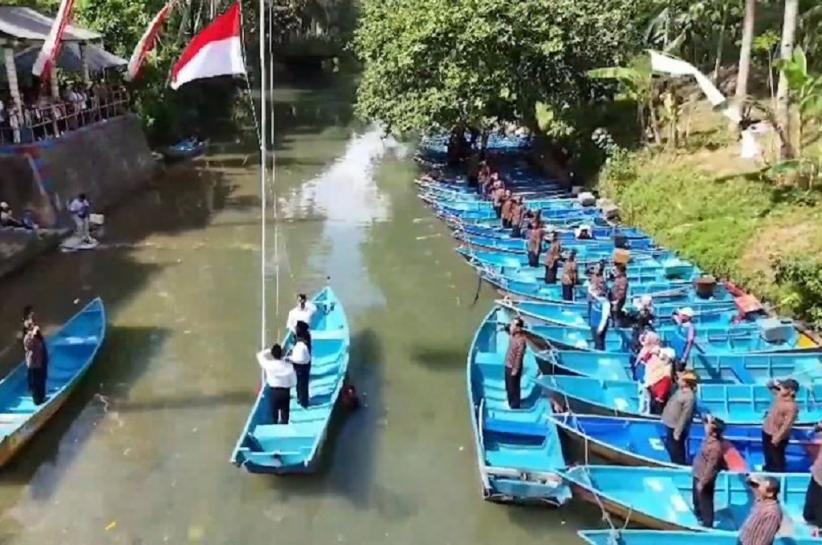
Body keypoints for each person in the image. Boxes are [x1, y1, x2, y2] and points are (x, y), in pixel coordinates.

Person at [692, 416, 725, 528]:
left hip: (704, 478)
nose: (705, 426)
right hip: (697, 473)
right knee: (696, 499)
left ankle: (707, 524)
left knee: (705, 501)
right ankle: (698, 515)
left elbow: (711, 467)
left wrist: (703, 482)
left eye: (708, 424)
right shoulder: (708, 438)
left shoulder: (715, 447)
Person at [762, 378, 799, 472]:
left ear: (789, 390)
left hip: (777, 435)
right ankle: (768, 468)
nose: (780, 388)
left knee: (777, 457)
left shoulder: (792, 406)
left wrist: (778, 437)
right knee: (767, 454)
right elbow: (769, 385)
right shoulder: (779, 395)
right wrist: (775, 382)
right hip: (767, 430)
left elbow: (787, 425)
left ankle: (778, 473)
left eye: (783, 387)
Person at [661, 370, 698, 464]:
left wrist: (678, 431)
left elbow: (685, 416)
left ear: (686, 382)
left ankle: (679, 465)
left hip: (676, 427)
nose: (679, 380)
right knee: (670, 446)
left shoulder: (689, 397)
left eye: (681, 379)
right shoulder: (679, 390)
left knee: (676, 450)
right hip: (669, 423)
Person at [739, 476, 784, 545]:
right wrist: (755, 480)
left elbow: (765, 539)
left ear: (770, 493)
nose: (757, 488)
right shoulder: (761, 500)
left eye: (761, 486)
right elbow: (749, 482)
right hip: (744, 540)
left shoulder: (771, 513)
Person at [257, 343, 295, 424]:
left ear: (272, 354)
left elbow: (259, 355)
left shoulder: (268, 365)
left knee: (274, 414)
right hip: (285, 392)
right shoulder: (289, 366)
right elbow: (293, 381)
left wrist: (267, 350)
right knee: (285, 414)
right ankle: (284, 427)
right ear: (282, 354)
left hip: (273, 392)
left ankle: (275, 424)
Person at [22, 306, 48, 405]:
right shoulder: (28, 337)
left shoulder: (34, 334)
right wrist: (33, 333)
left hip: (38, 360)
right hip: (34, 363)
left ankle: (40, 397)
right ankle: (38, 400)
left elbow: (40, 341)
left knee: (39, 379)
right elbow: (29, 345)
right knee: (37, 381)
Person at [503, 317, 527, 409]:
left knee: (514, 388)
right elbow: (507, 329)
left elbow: (519, 357)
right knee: (508, 386)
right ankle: (510, 402)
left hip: (513, 367)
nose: (511, 326)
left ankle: (515, 406)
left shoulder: (521, 340)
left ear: (518, 328)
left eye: (513, 325)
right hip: (507, 365)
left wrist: (515, 369)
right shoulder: (512, 335)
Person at [287, 321, 312, 408]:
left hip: (302, 363)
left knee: (302, 382)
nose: (295, 328)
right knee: (300, 382)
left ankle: (304, 401)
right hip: (303, 362)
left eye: (297, 327)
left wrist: (290, 357)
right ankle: (300, 398)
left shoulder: (304, 339)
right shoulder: (304, 336)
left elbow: (300, 353)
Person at [804, 422, 822, 534]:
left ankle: (819, 527)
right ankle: (811, 520)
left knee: (818, 503)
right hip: (817, 472)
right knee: (811, 500)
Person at [645, 346, 674, 414]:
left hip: (659, 399)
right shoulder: (658, 366)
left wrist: (660, 397)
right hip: (652, 393)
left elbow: (665, 385)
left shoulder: (667, 370)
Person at [588, 284, 611, 350]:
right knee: (596, 342)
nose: (595, 291)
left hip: (599, 325)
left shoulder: (605, 302)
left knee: (600, 343)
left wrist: (601, 328)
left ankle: (601, 355)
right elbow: (590, 290)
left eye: (597, 290)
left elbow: (605, 317)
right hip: (594, 324)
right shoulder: (595, 298)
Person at [610, 262, 629, 327]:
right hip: (613, 300)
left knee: (616, 316)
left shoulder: (623, 280)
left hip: (617, 302)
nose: (614, 271)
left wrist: (616, 302)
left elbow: (621, 292)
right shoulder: (617, 278)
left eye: (616, 270)